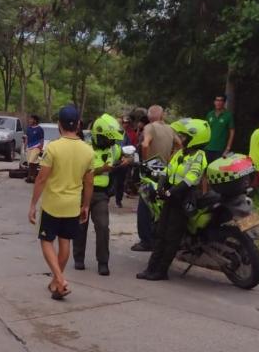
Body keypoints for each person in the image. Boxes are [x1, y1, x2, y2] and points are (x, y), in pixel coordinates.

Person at [28, 105, 95, 299]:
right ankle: (56, 284)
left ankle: (60, 279)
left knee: (46, 240)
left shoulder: (54, 148)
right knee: (65, 242)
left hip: (52, 204)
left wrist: (33, 204)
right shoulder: (88, 150)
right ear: (79, 125)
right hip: (72, 205)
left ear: (59, 125)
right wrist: (86, 205)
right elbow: (89, 182)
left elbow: (41, 179)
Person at [137, 118, 211, 281]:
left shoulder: (199, 157)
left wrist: (170, 193)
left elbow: (190, 180)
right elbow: (166, 171)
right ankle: (150, 268)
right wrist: (161, 188)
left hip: (184, 198)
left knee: (171, 237)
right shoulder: (180, 153)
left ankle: (161, 271)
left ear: (195, 138)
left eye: (185, 136)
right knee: (160, 233)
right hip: (171, 196)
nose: (182, 139)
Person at [74, 113, 123, 276]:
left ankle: (103, 262)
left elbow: (121, 157)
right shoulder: (85, 149)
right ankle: (78, 258)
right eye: (107, 139)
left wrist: (126, 161)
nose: (111, 143)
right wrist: (103, 169)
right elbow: (80, 173)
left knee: (103, 227)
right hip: (83, 192)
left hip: (101, 195)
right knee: (81, 226)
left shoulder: (114, 149)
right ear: (98, 135)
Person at [131, 105, 179, 252]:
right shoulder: (170, 128)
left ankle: (146, 241)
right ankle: (156, 235)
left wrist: (145, 163)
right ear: (162, 115)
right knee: (157, 204)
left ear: (150, 117)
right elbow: (179, 144)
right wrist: (171, 159)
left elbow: (145, 144)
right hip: (164, 169)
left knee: (145, 204)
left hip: (152, 169)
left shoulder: (150, 128)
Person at [204, 95, 235, 162]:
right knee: (205, 170)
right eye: (217, 100)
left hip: (221, 149)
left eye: (221, 100)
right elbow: (205, 130)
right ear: (214, 102)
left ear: (224, 103)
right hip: (208, 148)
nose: (218, 102)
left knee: (217, 170)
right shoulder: (209, 114)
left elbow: (232, 132)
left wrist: (228, 149)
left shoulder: (228, 115)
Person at [25, 114, 44, 183]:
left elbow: (41, 139)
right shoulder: (28, 128)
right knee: (31, 162)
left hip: (36, 147)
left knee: (32, 161)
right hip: (29, 147)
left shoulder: (40, 129)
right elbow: (27, 138)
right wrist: (25, 147)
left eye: (31, 119)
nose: (29, 120)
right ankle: (32, 177)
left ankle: (30, 176)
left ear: (35, 121)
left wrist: (41, 147)